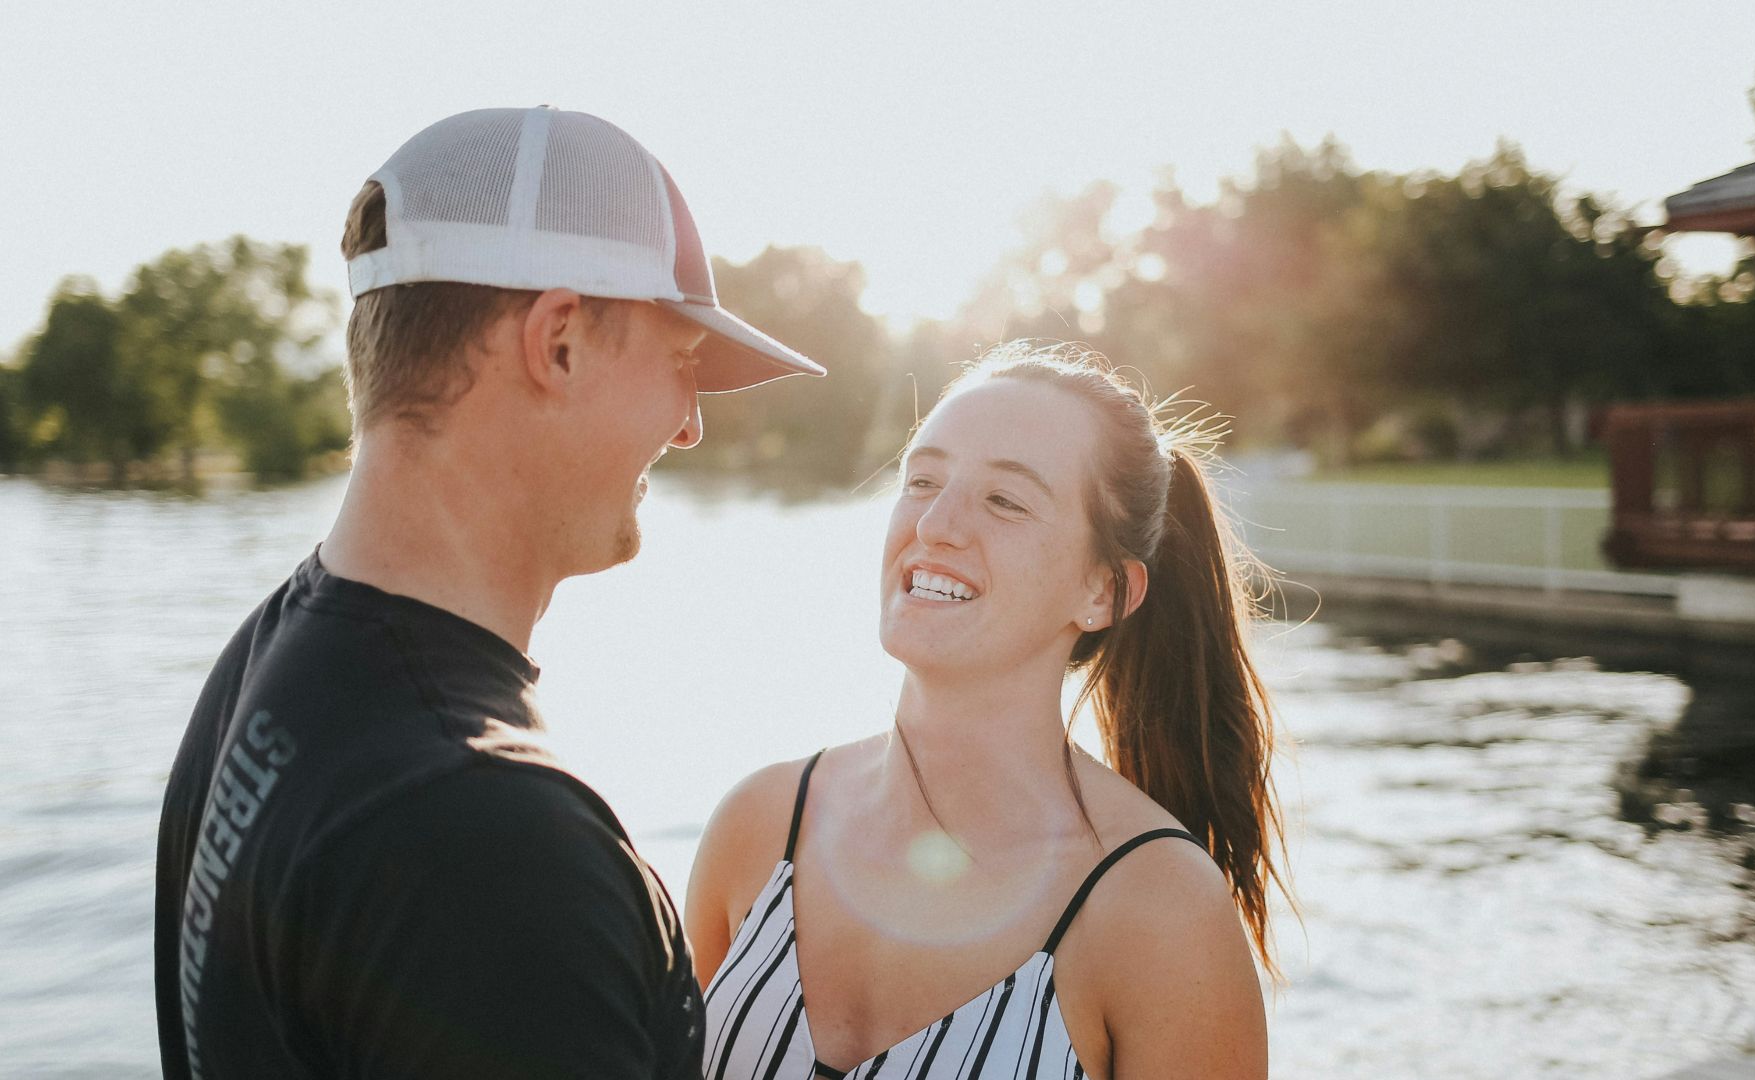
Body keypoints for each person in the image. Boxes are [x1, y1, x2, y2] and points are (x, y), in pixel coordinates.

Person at [154, 106, 825, 1080]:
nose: (690, 430)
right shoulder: (496, 850)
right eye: (682, 364)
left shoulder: (273, 660)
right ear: (558, 341)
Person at [687, 343, 1290, 1080]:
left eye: (1005, 500)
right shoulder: (759, 824)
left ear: (1103, 592)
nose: (934, 523)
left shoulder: (1159, 914)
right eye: (922, 480)